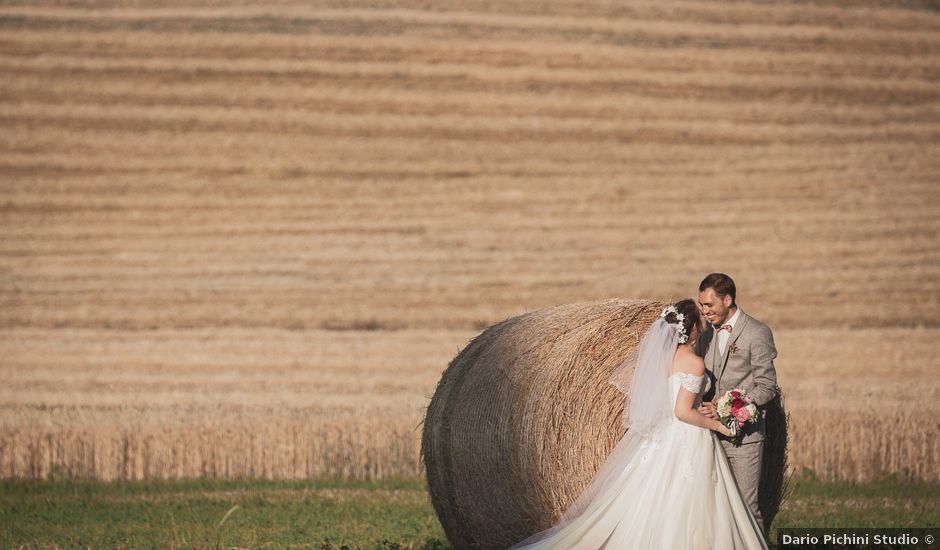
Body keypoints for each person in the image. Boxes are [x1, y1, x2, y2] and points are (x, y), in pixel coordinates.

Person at [508, 300, 768, 550]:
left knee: (653, 496)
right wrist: (719, 427)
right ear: (694, 330)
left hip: (663, 436)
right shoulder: (695, 362)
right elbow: (683, 412)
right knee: (690, 499)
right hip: (688, 436)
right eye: (702, 321)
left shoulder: (666, 359)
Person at [696, 273, 778, 531]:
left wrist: (729, 407)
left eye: (709, 305)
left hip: (744, 438)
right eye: (702, 306)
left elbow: (766, 387)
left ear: (728, 299)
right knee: (715, 509)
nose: (705, 311)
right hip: (707, 436)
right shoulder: (705, 336)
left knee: (746, 507)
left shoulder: (757, 332)